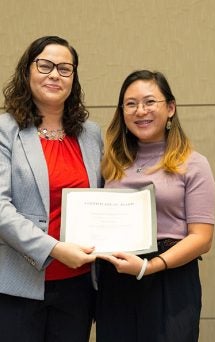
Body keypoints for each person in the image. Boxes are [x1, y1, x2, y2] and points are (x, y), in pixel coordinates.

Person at [96, 70, 215, 342]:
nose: (141, 111)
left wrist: (149, 267)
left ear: (170, 108)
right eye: (130, 104)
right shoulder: (111, 163)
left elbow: (202, 238)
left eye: (150, 102)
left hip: (169, 280)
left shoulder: (193, 163)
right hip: (117, 279)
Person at [0, 36, 103, 342]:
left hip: (79, 286)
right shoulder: (5, 130)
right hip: (18, 286)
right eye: (45, 66)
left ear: (74, 77)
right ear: (27, 72)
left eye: (65, 68)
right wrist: (55, 250)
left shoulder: (90, 134)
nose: (55, 74)